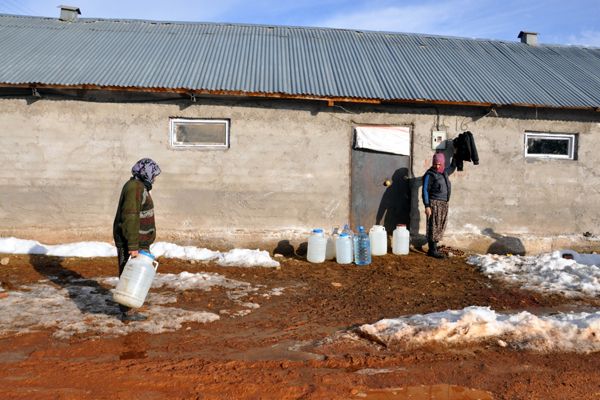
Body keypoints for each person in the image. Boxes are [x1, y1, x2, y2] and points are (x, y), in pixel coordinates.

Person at [113, 158, 161, 321]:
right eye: (153, 175)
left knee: (134, 275)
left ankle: (129, 308)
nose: (154, 179)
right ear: (145, 173)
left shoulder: (138, 186)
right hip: (133, 242)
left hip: (139, 241)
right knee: (129, 275)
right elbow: (130, 217)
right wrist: (133, 245)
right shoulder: (135, 188)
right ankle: (127, 312)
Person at [422, 152, 450, 258]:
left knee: (440, 226)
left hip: (443, 204)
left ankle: (434, 248)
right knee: (433, 226)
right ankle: (432, 250)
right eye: (435, 164)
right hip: (434, 203)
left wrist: (456, 156)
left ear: (443, 164)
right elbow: (425, 190)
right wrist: (427, 205)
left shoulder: (444, 173)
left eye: (439, 164)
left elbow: (452, 166)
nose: (437, 166)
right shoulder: (430, 174)